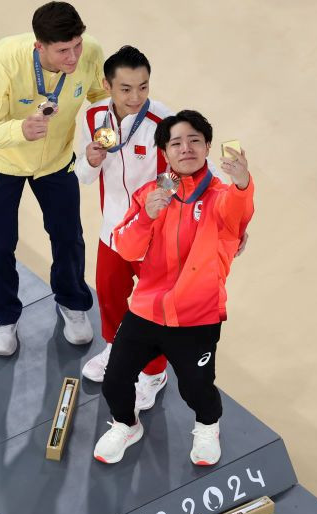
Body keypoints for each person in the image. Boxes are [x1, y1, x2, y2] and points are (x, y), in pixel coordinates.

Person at [92, 110, 255, 466]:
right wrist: (147, 216)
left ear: (208, 146)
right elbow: (126, 246)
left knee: (197, 388)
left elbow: (238, 214)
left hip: (197, 316)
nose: (186, 148)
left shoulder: (221, 197)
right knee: (115, 381)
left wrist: (243, 184)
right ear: (164, 152)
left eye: (194, 140)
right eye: (176, 143)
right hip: (146, 311)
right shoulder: (151, 193)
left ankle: (208, 426)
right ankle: (126, 425)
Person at [0, 2, 108, 356]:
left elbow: (102, 97)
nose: (74, 57)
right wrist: (19, 130)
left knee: (69, 236)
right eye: (63, 51)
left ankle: (73, 304)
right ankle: (4, 318)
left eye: (77, 45)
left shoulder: (90, 53)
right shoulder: (4, 60)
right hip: (2, 163)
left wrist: (102, 135)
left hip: (56, 161)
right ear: (39, 46)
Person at [73, 45, 172, 413]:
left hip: (154, 236)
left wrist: (158, 199)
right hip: (113, 228)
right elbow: (84, 176)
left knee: (151, 309)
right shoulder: (94, 117)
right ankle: (116, 348)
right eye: (126, 89)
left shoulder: (165, 123)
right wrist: (91, 160)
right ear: (107, 86)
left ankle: (153, 371)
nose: (135, 97)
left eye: (143, 87)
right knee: (111, 296)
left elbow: (181, 177)